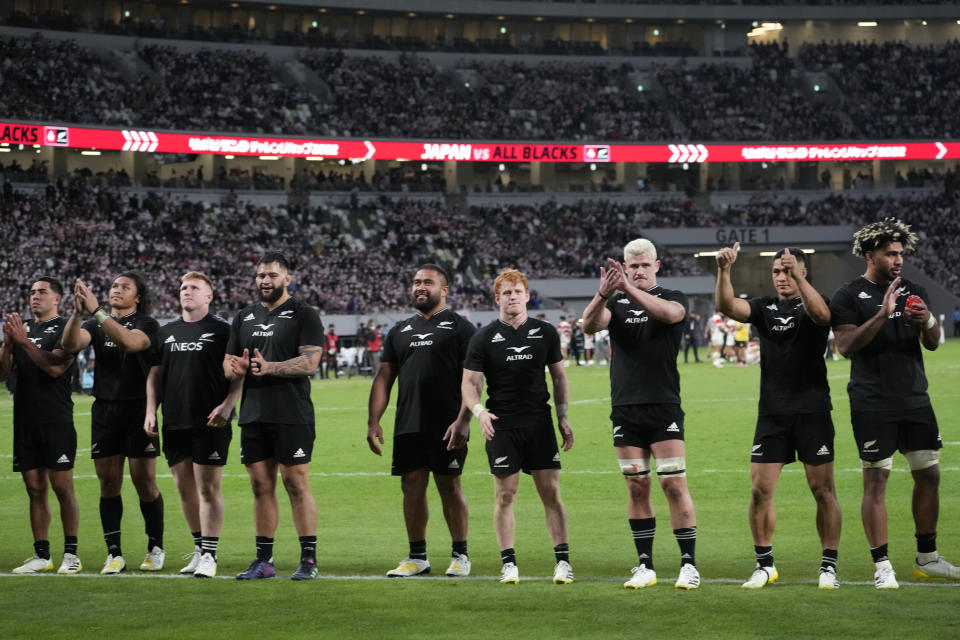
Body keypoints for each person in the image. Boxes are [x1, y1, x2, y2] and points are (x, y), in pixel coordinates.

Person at [831, 218, 960, 589]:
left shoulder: (914, 290)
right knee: (876, 481)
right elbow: (845, 346)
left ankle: (928, 558)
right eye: (890, 254)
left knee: (930, 475)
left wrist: (927, 322)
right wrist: (883, 314)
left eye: (901, 253)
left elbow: (934, 343)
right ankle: (882, 564)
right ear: (870, 255)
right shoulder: (848, 295)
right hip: (872, 402)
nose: (898, 259)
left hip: (915, 398)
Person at [715, 244, 843, 590]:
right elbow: (727, 306)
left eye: (788, 270)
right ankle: (764, 564)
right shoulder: (763, 307)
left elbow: (822, 318)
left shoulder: (817, 300)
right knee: (759, 490)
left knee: (823, 490)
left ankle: (828, 566)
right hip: (772, 413)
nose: (781, 277)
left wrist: (801, 282)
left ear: (803, 272)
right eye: (777, 272)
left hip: (813, 410)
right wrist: (725, 270)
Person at [582, 238, 700, 590]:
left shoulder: (674, 296)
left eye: (644, 265)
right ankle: (645, 565)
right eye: (632, 267)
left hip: (663, 406)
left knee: (673, 484)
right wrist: (604, 293)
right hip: (625, 410)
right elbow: (589, 325)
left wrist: (626, 291)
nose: (638, 271)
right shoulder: (615, 303)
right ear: (624, 266)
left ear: (657, 265)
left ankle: (689, 564)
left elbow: (668, 315)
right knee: (636, 486)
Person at [461, 268, 574, 585]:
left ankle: (563, 562)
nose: (512, 297)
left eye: (517, 291)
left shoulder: (546, 332)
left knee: (550, 492)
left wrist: (563, 416)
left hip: (539, 422)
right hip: (502, 425)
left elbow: (559, 377)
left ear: (527, 295)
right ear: (497, 298)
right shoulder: (482, 338)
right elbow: (469, 384)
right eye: (506, 293)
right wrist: (480, 412)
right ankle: (508, 563)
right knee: (505, 496)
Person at [367, 264, 476, 578]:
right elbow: (384, 378)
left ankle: (460, 555)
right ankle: (418, 556)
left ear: (444, 290)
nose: (419, 287)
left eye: (428, 282)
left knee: (449, 486)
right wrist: (373, 422)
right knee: (411, 487)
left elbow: (473, 381)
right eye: (416, 282)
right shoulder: (399, 331)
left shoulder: (461, 328)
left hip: (448, 423)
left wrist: (464, 420)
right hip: (408, 424)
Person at [224, 252, 324, 580]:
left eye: (272, 275)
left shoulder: (304, 314)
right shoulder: (243, 317)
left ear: (287, 278)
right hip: (253, 414)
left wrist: (271, 368)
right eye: (261, 276)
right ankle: (264, 560)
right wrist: (234, 368)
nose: (265, 281)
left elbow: (310, 363)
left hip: (292, 413)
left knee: (295, 482)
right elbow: (229, 365)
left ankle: (308, 559)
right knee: (259, 485)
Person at [61, 272, 164, 575]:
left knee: (144, 482)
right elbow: (71, 344)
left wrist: (97, 310)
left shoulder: (147, 324)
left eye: (124, 287)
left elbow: (130, 343)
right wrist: (78, 314)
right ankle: (114, 553)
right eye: (114, 286)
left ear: (138, 297)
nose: (117, 290)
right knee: (108, 484)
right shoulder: (94, 323)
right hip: (105, 411)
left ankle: (155, 546)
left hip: (138, 409)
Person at [144, 272, 243, 579]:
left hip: (210, 420)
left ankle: (211, 555)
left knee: (208, 489)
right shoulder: (166, 332)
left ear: (208, 296)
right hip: (174, 420)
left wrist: (228, 406)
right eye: (184, 287)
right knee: (184, 489)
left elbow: (241, 373)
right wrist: (150, 410)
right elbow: (155, 376)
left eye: (194, 288)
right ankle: (199, 549)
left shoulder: (223, 330)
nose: (187, 292)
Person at [0, 278, 81, 574]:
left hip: (55, 418)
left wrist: (22, 342)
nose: (35, 296)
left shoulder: (65, 329)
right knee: (34, 488)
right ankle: (42, 555)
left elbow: (55, 366)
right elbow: (1, 373)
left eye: (42, 292)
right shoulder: (22, 329)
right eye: (32, 292)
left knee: (62, 487)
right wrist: (9, 345)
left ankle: (71, 554)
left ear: (57, 298)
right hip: (25, 419)